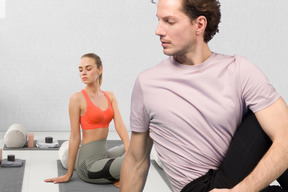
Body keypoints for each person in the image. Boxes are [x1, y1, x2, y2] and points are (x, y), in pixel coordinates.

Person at [120, 0, 288, 192]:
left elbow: (285, 139)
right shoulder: (148, 83)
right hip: (197, 188)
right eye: (158, 20)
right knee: (263, 121)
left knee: (276, 125)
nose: (158, 30)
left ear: (199, 24)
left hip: (236, 185)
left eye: (169, 21)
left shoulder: (240, 71)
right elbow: (136, 161)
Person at [45, 53, 129, 187]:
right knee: (134, 161)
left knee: (137, 148)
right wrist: (68, 174)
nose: (83, 73)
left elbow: (119, 125)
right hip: (89, 165)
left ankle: (118, 173)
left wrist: (129, 149)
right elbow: (74, 137)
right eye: (80, 69)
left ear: (100, 70)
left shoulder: (110, 96)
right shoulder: (76, 98)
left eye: (88, 69)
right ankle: (121, 174)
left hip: (104, 154)